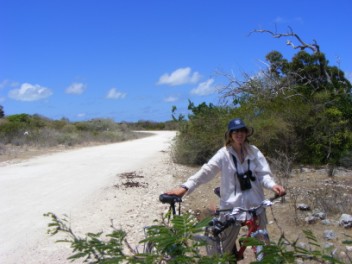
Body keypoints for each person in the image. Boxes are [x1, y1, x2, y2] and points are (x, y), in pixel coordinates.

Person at [165, 117, 285, 255]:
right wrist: (185, 187)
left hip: (255, 205)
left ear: (246, 133)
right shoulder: (224, 154)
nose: (239, 134)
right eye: (235, 132)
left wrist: (272, 185)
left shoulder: (254, 151)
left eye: (242, 131)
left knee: (263, 247)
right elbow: (207, 171)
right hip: (232, 208)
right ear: (230, 135)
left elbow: (263, 174)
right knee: (226, 251)